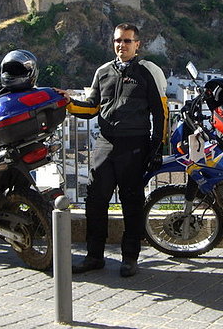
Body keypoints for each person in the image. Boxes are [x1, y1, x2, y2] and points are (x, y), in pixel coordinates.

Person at [62, 23, 168, 277]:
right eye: (118, 41)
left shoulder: (147, 71)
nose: (122, 45)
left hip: (135, 144)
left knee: (132, 202)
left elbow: (160, 111)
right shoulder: (103, 72)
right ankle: (94, 256)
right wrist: (68, 103)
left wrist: (157, 147)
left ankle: (130, 258)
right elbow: (90, 108)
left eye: (127, 41)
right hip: (106, 142)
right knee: (95, 200)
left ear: (137, 44)